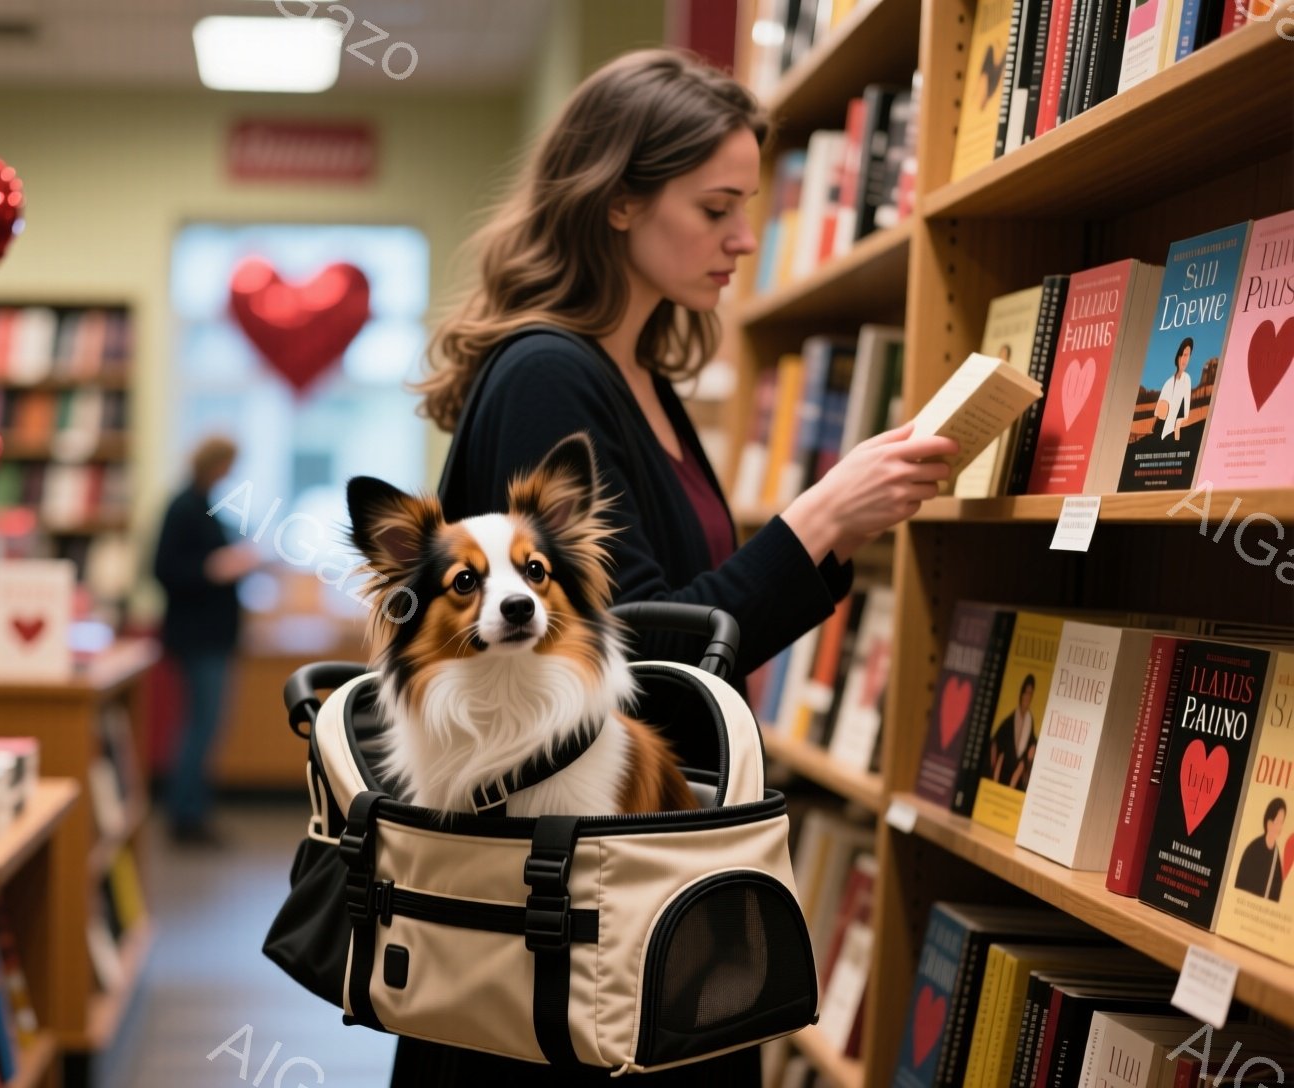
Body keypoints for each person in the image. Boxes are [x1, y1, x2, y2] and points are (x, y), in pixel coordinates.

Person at [407, 49, 957, 1086]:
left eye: (749, 206)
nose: (744, 238)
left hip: (630, 877)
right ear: (617, 202)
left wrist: (825, 534)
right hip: (564, 910)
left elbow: (683, 623)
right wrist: (819, 519)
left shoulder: (636, 371)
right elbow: (645, 657)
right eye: (715, 208)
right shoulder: (546, 375)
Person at [153, 436, 262, 846]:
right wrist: (213, 569)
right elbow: (164, 568)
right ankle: (186, 815)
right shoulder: (184, 506)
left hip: (213, 635)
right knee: (200, 726)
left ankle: (193, 809)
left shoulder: (207, 505)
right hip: (197, 637)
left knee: (205, 725)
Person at [988, 674, 1038, 789]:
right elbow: (996, 742)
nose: (1027, 697)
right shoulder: (1011, 720)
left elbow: (1031, 746)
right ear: (1021, 694)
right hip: (1002, 771)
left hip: (1017, 773)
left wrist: (1032, 750)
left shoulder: (1030, 721)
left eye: (1030, 693)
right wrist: (994, 766)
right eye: (1026, 692)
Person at [1235, 798, 1287, 901]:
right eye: (1278, 821)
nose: (1280, 827)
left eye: (1282, 822)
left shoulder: (1276, 860)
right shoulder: (1252, 850)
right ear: (1269, 822)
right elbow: (1239, 886)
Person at [1155, 337, 1195, 440]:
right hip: (1161, 431)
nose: (1185, 360)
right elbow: (1158, 412)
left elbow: (1186, 415)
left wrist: (1178, 425)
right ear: (1178, 356)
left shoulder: (1187, 379)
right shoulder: (1168, 383)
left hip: (1173, 433)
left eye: (1188, 356)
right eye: (1183, 355)